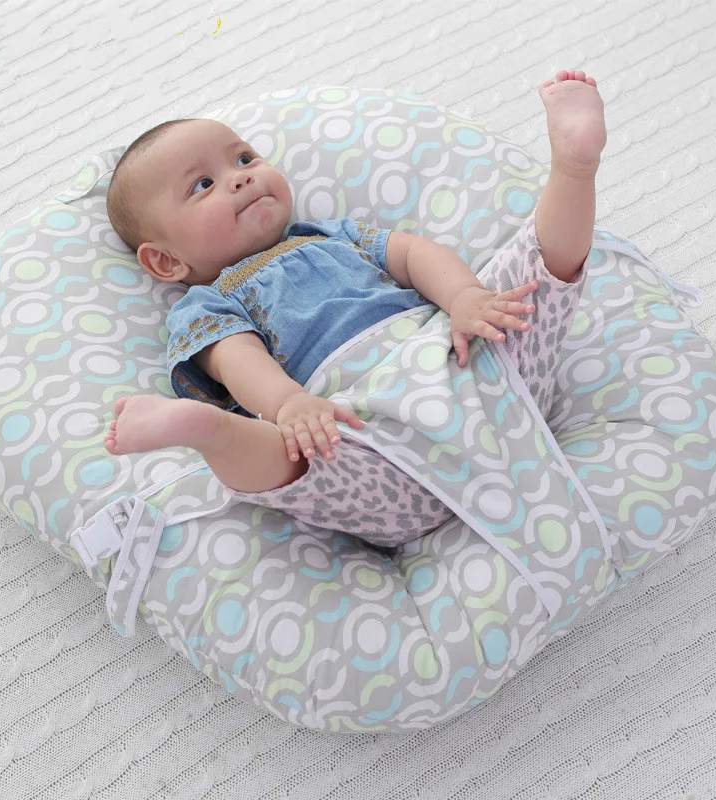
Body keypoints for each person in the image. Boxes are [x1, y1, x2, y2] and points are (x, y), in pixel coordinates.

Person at [103, 70, 607, 547]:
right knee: (294, 466)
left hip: (465, 367)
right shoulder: (207, 304)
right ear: (166, 261)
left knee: (526, 287)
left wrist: (463, 297)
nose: (241, 179)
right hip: (362, 432)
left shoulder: (329, 235)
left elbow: (412, 255)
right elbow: (237, 359)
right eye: (202, 185)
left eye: (244, 159)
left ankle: (573, 168)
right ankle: (207, 432)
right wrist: (287, 405)